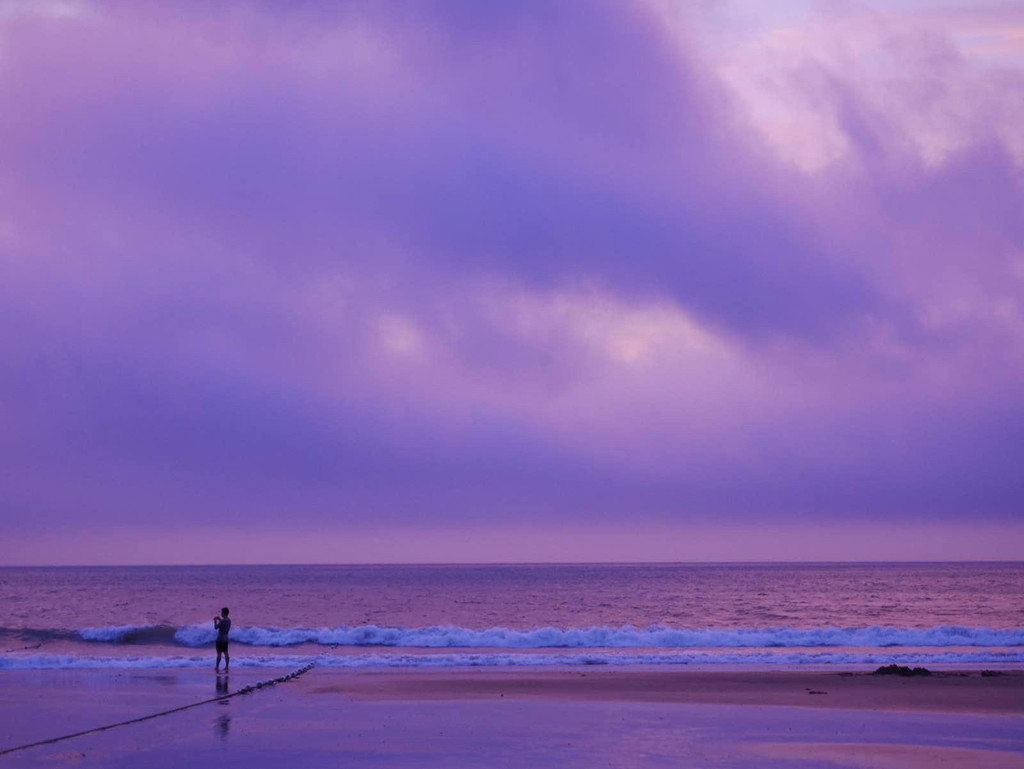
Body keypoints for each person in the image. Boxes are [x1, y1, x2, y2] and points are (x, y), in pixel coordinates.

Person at [214, 607, 231, 672]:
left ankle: (217, 667)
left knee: (219, 653)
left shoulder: (223, 621)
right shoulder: (229, 620)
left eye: (222, 612)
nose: (221, 613)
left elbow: (216, 627)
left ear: (224, 613)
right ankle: (226, 666)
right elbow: (224, 623)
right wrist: (219, 619)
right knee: (226, 653)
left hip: (220, 639)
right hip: (226, 638)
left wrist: (215, 621)